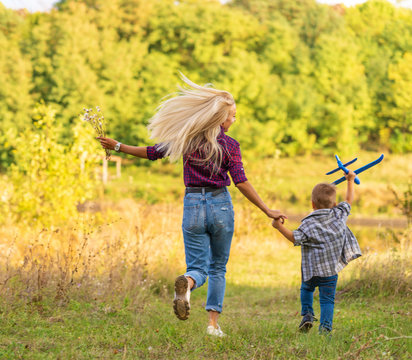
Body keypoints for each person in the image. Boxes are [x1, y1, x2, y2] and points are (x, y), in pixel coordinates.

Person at [97, 74, 286, 337]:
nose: (234, 120)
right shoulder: (230, 145)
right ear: (221, 119)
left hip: (193, 204)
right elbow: (241, 182)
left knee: (198, 267)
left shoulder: (188, 140)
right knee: (218, 267)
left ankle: (187, 283)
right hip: (220, 204)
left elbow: (153, 152)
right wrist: (268, 210)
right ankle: (212, 325)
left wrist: (118, 146)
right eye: (232, 116)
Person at [271, 171, 362, 334]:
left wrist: (279, 227)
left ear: (312, 204)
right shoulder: (339, 215)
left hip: (311, 271)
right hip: (330, 272)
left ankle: (307, 314)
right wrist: (350, 180)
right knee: (327, 300)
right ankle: (325, 328)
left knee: (306, 290)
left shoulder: (308, 224)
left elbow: (294, 238)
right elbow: (348, 201)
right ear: (334, 204)